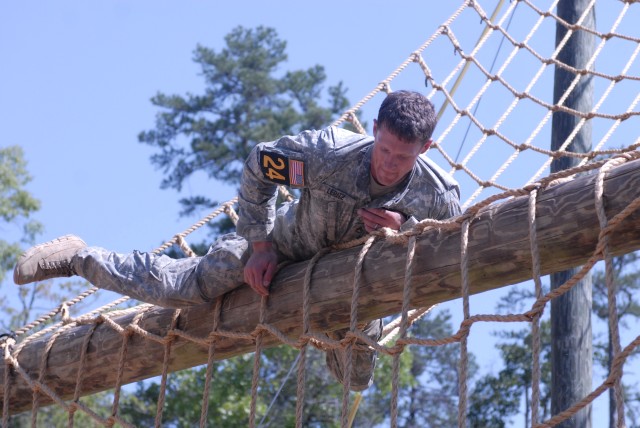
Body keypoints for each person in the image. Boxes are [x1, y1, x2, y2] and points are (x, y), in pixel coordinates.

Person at [14, 90, 461, 391]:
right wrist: (261, 244)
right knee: (180, 287)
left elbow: (455, 238)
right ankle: (77, 256)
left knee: (357, 377)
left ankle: (334, 331)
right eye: (384, 150)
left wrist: (404, 227)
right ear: (375, 130)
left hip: (355, 279)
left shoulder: (435, 191)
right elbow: (259, 165)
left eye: (402, 158)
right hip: (286, 246)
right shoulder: (328, 154)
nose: (388, 164)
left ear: (424, 149)